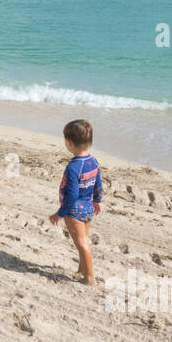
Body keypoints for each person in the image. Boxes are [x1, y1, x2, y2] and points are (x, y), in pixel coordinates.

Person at [49, 119, 103, 283]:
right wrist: (98, 200)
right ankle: (82, 269)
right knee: (83, 240)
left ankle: (89, 278)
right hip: (88, 207)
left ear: (69, 142)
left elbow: (72, 195)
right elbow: (98, 182)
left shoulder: (73, 167)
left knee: (82, 243)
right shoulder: (93, 161)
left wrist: (60, 214)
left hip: (74, 211)